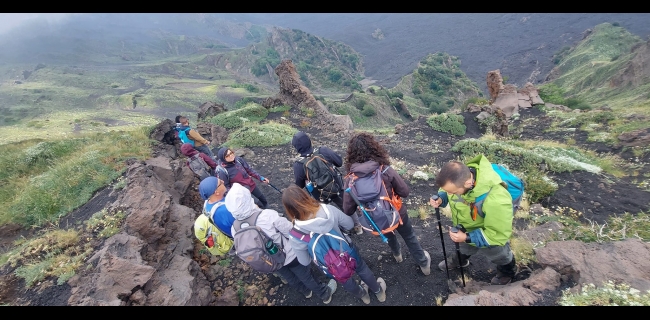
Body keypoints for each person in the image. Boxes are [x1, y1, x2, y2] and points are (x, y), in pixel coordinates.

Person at [226, 183, 337, 304]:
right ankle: (324, 293)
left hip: (269, 261)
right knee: (306, 275)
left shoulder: (234, 228)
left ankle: (306, 291)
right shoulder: (267, 216)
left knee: (289, 277)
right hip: (290, 255)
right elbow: (290, 231)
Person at [342, 132, 432, 275]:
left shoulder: (350, 179)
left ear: (351, 154)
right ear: (374, 148)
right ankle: (424, 264)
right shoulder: (385, 170)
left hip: (376, 219)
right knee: (409, 237)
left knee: (389, 234)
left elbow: (347, 210)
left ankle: (397, 255)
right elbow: (405, 192)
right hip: (397, 213)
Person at [282, 184, 387, 304]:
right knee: (362, 268)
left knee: (345, 279)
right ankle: (379, 292)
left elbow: (304, 261)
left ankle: (363, 296)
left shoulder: (295, 235)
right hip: (347, 249)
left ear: (289, 209)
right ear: (305, 196)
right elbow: (349, 224)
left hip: (329, 263)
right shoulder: (326, 210)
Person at [429, 155, 517, 285]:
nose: (450, 193)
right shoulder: (458, 178)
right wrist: (442, 197)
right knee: (464, 248)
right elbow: (446, 189)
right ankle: (460, 261)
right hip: (465, 227)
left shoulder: (497, 199)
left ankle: (507, 272)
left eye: (452, 192)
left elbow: (498, 234)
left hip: (489, 235)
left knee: (500, 255)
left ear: (468, 183)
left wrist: (466, 237)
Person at [291, 131, 363, 235]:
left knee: (324, 212)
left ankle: (336, 230)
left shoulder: (298, 165)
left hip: (319, 194)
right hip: (336, 187)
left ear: (296, 148)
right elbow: (339, 162)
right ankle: (357, 227)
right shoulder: (323, 151)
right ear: (309, 141)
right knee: (346, 206)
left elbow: (300, 185)